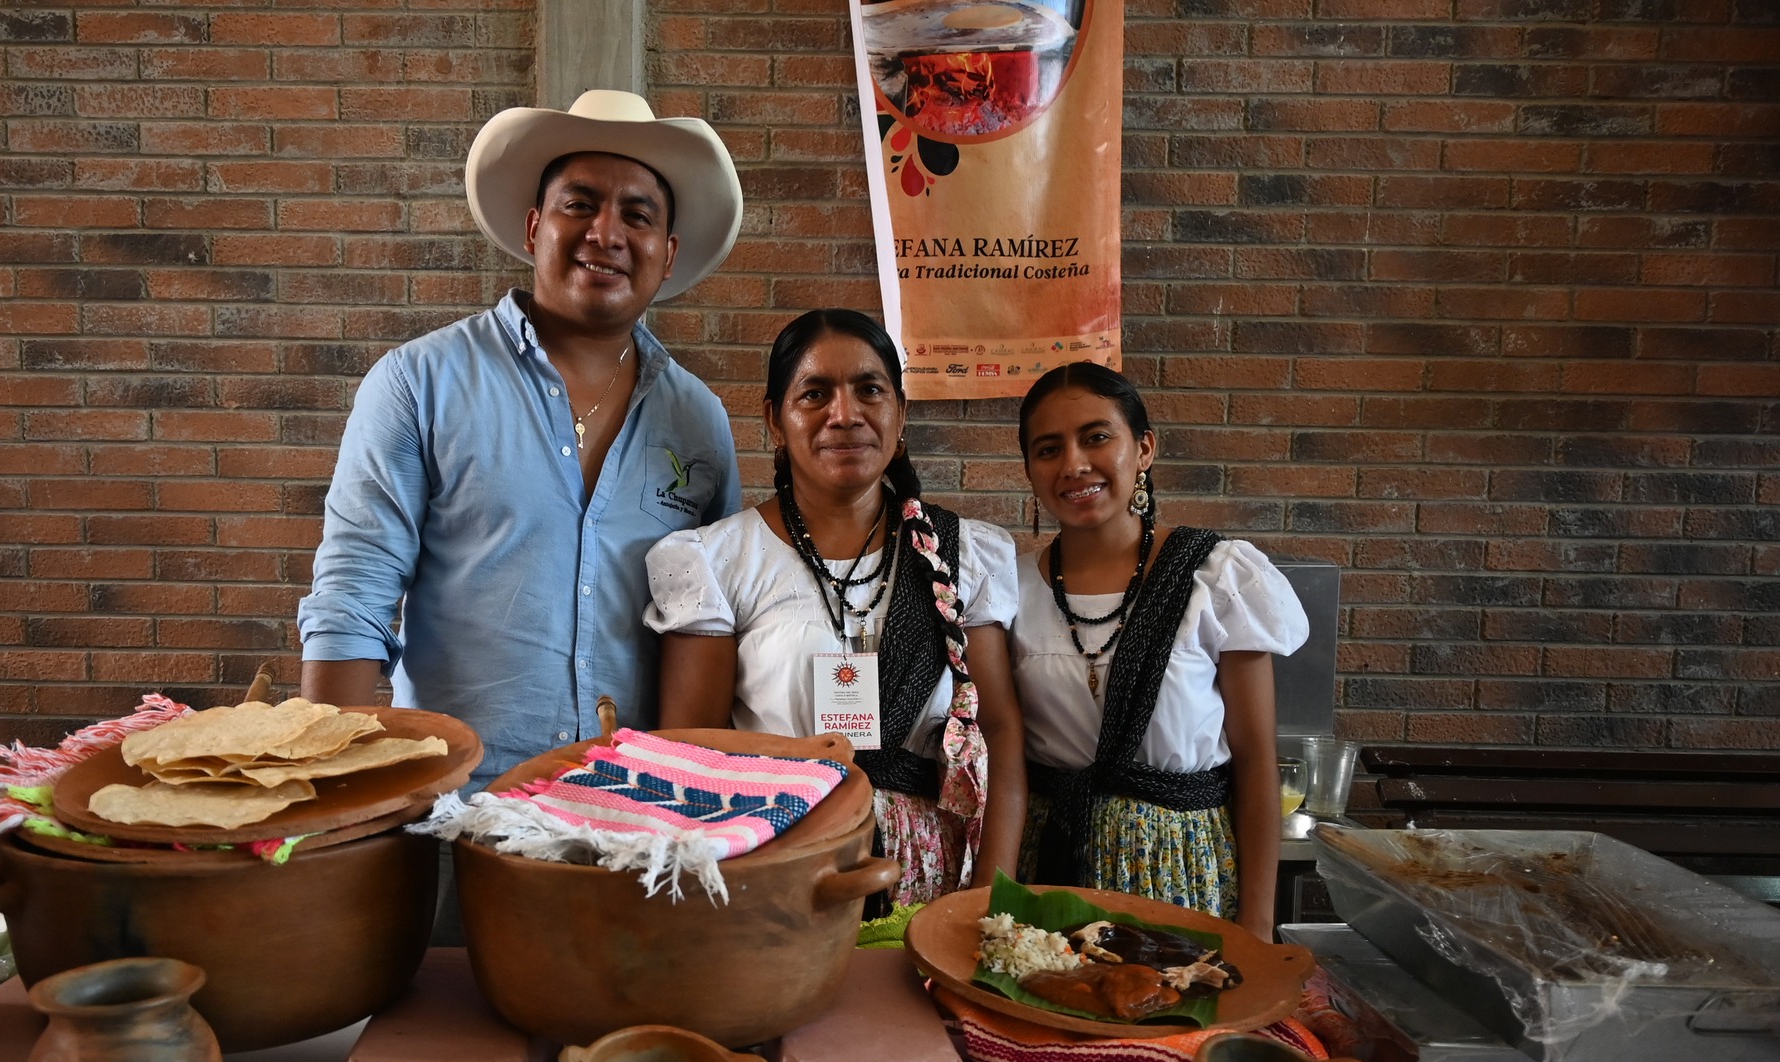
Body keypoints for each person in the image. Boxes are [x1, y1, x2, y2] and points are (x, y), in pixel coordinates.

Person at [297, 91, 745, 789]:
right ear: (534, 226)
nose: (606, 232)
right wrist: (325, 801)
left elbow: (713, 629)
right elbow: (352, 601)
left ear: (667, 253)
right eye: (580, 204)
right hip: (454, 812)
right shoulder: (420, 384)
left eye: (638, 215)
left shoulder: (699, 423)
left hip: (633, 823)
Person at [647, 309, 1027, 907]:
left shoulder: (962, 557)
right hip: (776, 867)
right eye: (815, 393)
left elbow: (999, 732)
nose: (844, 415)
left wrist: (985, 903)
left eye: (869, 390)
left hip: (928, 885)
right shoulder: (717, 562)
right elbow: (695, 753)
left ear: (900, 413)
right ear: (775, 419)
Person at [1010, 362, 1306, 939]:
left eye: (1097, 437)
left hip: (1183, 873)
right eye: (1048, 449)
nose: (1073, 464)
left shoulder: (1216, 576)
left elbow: (1254, 762)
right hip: (1052, 875)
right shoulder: (1009, 590)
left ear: (1143, 448)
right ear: (1029, 469)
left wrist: (1258, 925)